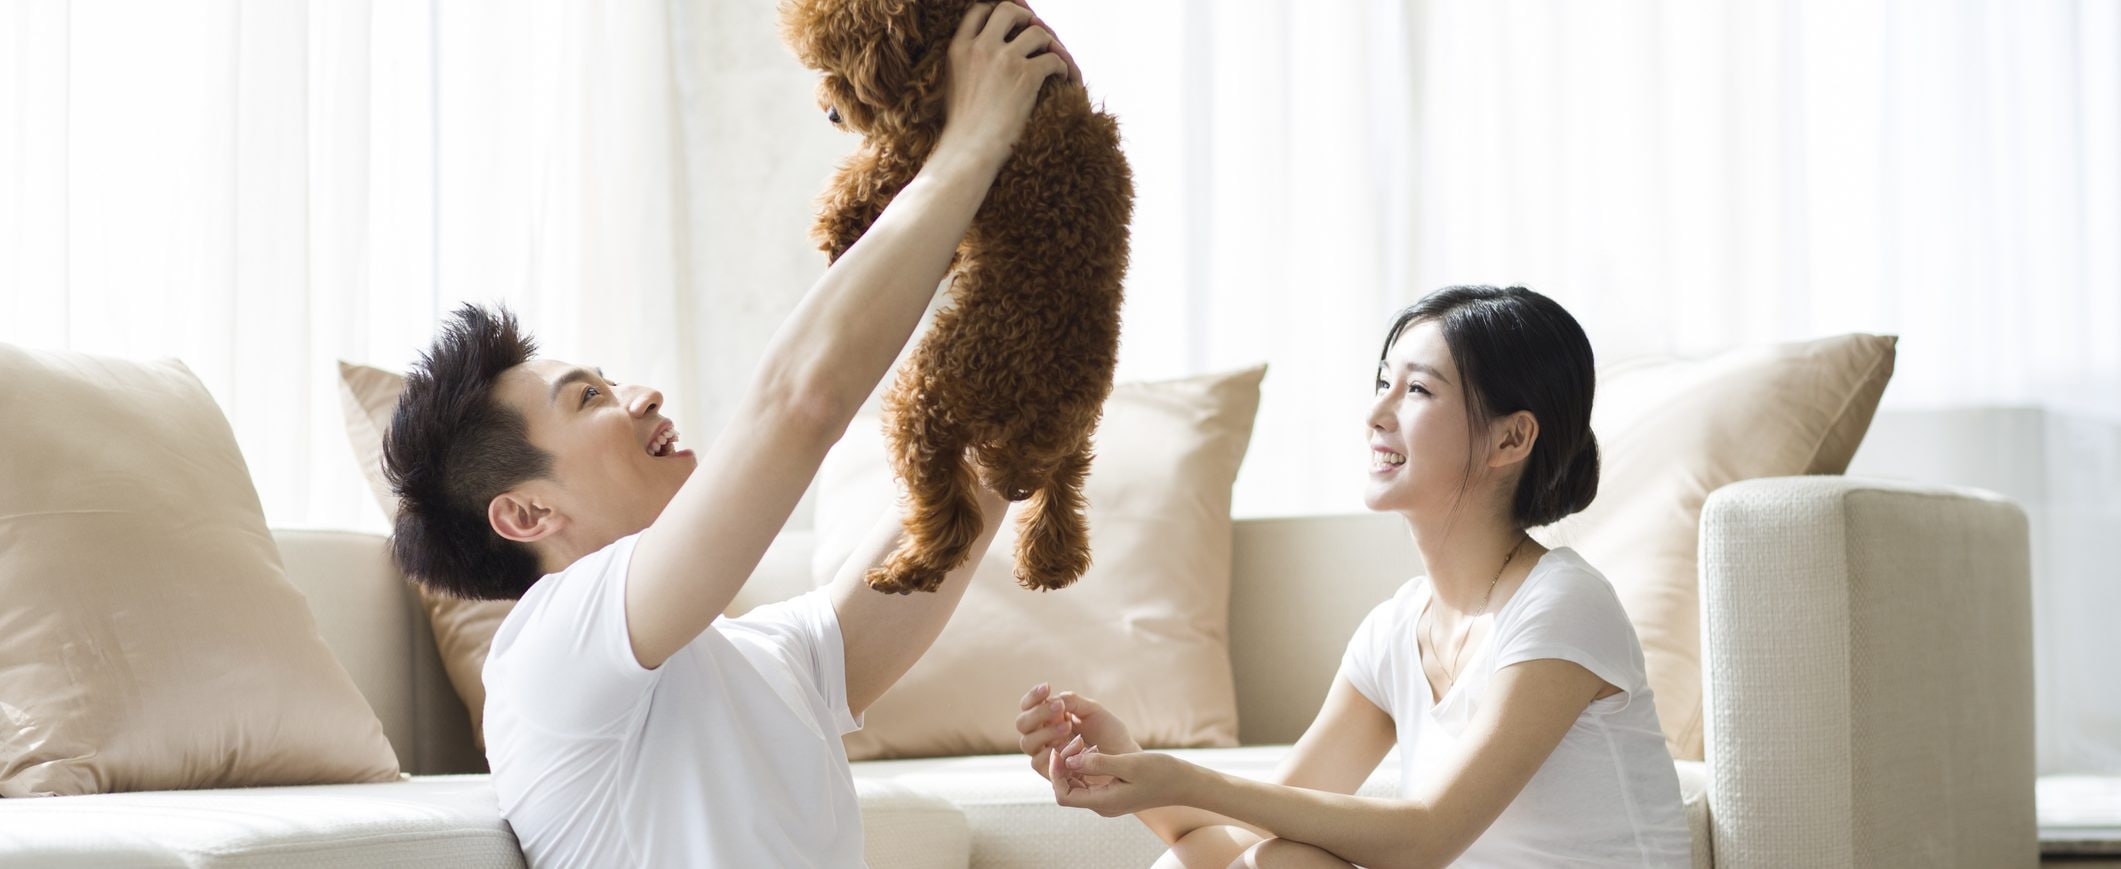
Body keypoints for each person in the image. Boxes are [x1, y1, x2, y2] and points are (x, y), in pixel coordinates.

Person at [377, 5, 1079, 865]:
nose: (640, 395)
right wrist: (971, 141)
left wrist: (1042, 229)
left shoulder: (767, 656)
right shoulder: (545, 655)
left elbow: (976, 482)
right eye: (589, 397)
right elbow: (798, 404)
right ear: (524, 514)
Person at [1018, 286, 1690, 867]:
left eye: (1418, 389)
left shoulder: (1562, 603)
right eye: (1382, 382)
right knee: (1201, 855)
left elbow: (1426, 837)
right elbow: (1229, 835)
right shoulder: (1397, 629)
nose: (1376, 413)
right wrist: (1117, 760)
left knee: (1284, 861)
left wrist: (1183, 776)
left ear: (1510, 439)